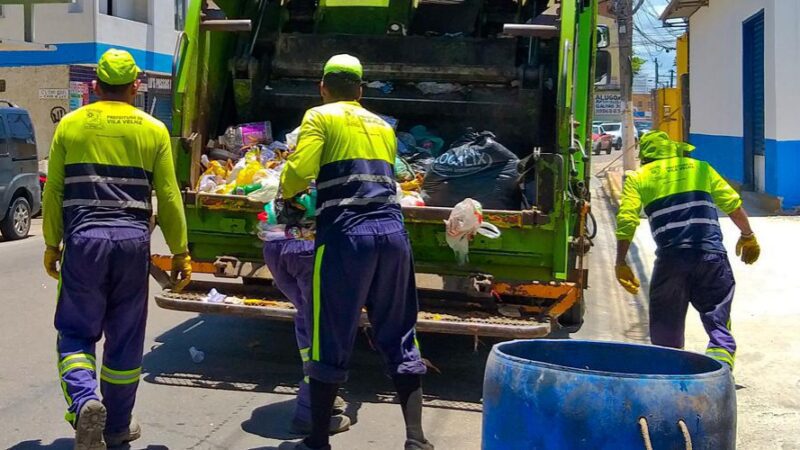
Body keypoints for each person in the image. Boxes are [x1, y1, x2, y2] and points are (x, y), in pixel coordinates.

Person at [280, 54, 432, 450]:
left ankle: (317, 440)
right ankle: (416, 439)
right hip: (393, 233)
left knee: (329, 332)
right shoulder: (382, 125)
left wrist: (288, 191)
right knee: (400, 332)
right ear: (361, 91)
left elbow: (298, 172)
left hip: (347, 237)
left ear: (323, 87)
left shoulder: (319, 116)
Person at [42, 49, 191, 450]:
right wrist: (180, 252)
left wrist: (51, 243)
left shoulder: (70, 126)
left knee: (75, 332)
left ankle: (85, 399)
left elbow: (54, 191)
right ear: (135, 87)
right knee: (124, 338)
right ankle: (117, 426)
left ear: (94, 86)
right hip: (132, 244)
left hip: (84, 242)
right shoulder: (153, 129)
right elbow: (169, 197)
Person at [615, 131, 761, 370]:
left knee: (665, 325)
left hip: (671, 259)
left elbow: (627, 219)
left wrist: (620, 261)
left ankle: (671, 374)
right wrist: (748, 235)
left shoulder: (639, 177)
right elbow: (732, 204)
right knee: (717, 315)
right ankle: (720, 369)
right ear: (673, 149)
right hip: (711, 255)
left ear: (646, 157)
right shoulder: (700, 168)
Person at [259, 192, 350, 435]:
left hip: (274, 245)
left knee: (307, 318)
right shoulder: (335, 161)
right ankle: (308, 413)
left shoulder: (297, 162)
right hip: (306, 247)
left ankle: (322, 395)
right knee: (320, 329)